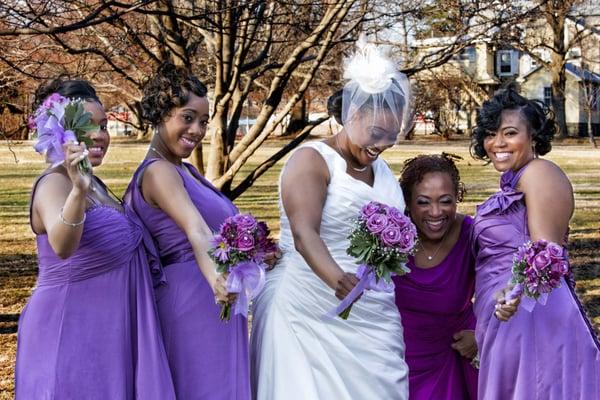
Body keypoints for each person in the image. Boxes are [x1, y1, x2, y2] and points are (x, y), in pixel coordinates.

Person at [251, 39, 411, 399]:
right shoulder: (311, 160)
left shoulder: (381, 170)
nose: (382, 145)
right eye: (375, 134)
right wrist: (338, 279)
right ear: (353, 115)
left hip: (374, 312)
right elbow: (304, 233)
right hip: (308, 305)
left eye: (390, 136)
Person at [15, 78, 175, 399]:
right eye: (89, 125)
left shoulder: (97, 184)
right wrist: (78, 191)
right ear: (64, 130)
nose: (101, 135)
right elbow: (62, 245)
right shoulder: (54, 184)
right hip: (69, 327)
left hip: (108, 331)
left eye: (104, 125)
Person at [124, 62, 250, 400]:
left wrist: (254, 252)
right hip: (194, 298)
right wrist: (215, 281)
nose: (197, 130)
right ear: (162, 114)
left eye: (203, 121)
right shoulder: (158, 173)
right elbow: (195, 228)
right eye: (187, 117)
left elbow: (217, 229)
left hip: (217, 295)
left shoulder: (186, 170)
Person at [470, 88, 600, 399]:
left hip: (531, 317)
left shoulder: (539, 172)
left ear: (533, 136)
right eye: (490, 134)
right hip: (510, 318)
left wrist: (510, 293)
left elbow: (545, 257)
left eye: (510, 133)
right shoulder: (517, 178)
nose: (498, 143)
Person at [393, 154, 478, 400]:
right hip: (397, 360)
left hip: (455, 357)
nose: (436, 212)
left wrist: (482, 335)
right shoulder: (389, 236)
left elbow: (503, 290)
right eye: (423, 202)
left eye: (445, 201)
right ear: (408, 203)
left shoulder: (473, 235)